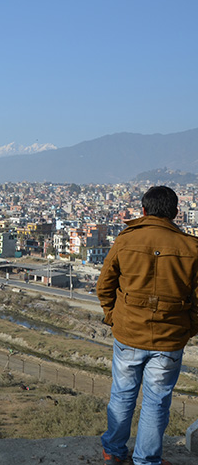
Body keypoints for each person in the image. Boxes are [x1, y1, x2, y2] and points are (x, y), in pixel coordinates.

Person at [97, 185, 198, 465]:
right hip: (169, 337)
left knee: (122, 393)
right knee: (157, 401)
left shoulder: (126, 240)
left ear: (143, 210)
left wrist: (113, 316)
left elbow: (104, 285)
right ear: (176, 213)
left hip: (128, 333)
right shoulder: (191, 247)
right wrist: (188, 328)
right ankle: (146, 460)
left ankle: (114, 452)